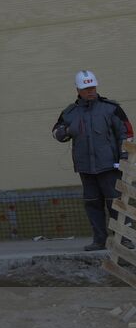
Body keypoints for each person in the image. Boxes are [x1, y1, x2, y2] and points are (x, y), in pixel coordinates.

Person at [52, 70, 132, 251]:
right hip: (85, 168)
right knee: (92, 203)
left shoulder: (111, 108)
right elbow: (56, 132)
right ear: (78, 90)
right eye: (86, 88)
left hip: (110, 165)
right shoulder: (70, 112)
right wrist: (65, 131)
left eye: (92, 87)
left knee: (116, 202)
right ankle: (99, 240)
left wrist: (124, 156)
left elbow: (126, 133)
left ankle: (125, 239)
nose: (90, 91)